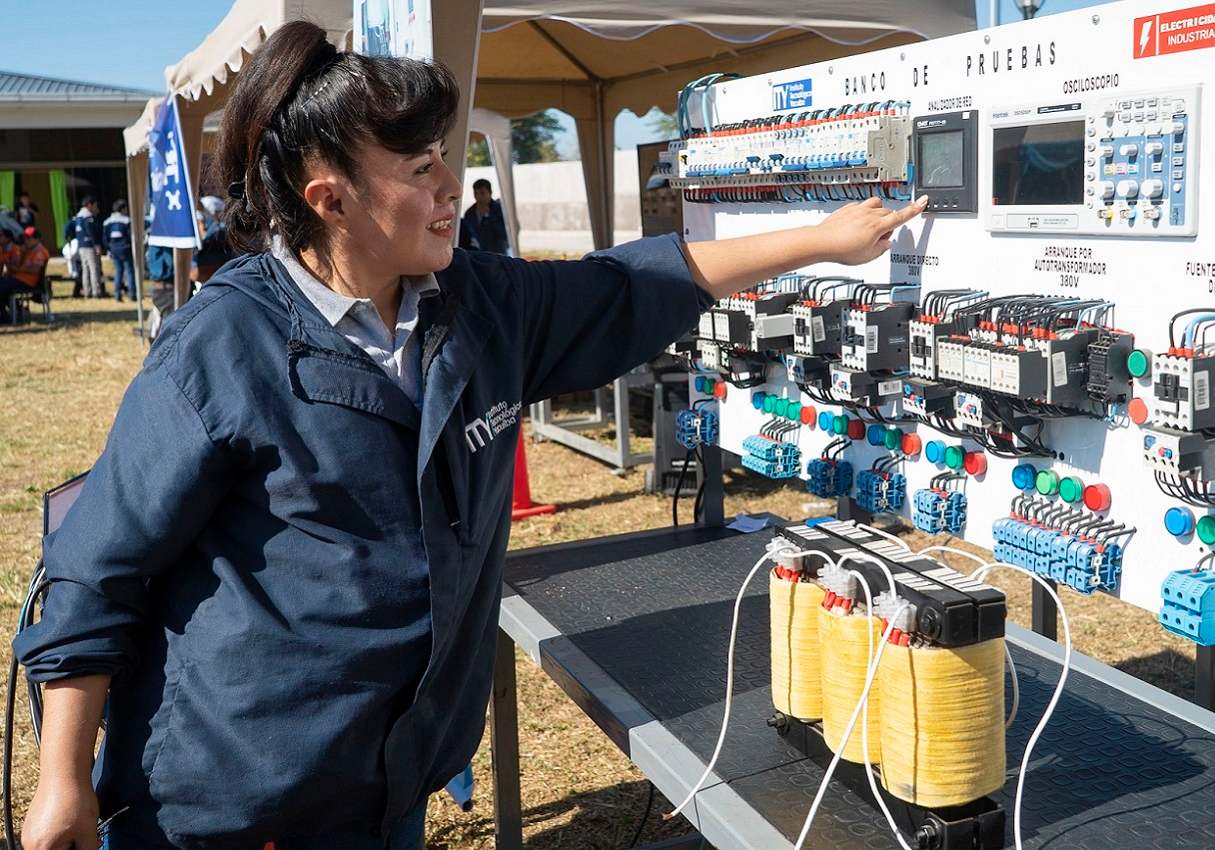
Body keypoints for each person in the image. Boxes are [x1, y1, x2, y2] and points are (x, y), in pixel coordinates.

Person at [13, 21, 923, 850]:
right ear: (330, 200)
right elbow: (96, 571)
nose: (452, 186)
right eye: (418, 169)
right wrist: (62, 782)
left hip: (394, 777)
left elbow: (630, 285)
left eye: (444, 156)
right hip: (238, 795)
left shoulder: (479, 306)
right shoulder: (221, 346)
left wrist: (821, 239)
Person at [0, 226, 50, 322]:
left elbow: (34, 269)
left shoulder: (40, 252)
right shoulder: (28, 251)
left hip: (27, 282)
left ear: (37, 239)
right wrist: (22, 253)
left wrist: (17, 269)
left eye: (28, 238)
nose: (25, 241)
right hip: (19, 279)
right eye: (24, 238)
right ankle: (13, 312)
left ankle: (5, 316)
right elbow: (19, 264)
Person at [459, 177, 509, 254]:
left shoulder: (500, 210)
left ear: (490, 193)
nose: (478, 197)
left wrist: (489, 217)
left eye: (482, 193)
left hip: (498, 254)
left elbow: (506, 234)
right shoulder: (470, 213)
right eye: (476, 193)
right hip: (478, 254)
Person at [71, 196, 106, 298]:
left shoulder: (78, 217)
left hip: (81, 246)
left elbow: (68, 227)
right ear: (89, 205)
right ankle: (96, 292)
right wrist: (96, 245)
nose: (96, 208)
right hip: (90, 246)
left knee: (85, 270)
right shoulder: (88, 218)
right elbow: (91, 233)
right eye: (95, 205)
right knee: (94, 269)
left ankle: (87, 291)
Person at [104, 200, 135, 302]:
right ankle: (132, 294)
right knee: (129, 271)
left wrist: (108, 248)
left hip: (114, 249)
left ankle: (117, 294)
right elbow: (130, 236)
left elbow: (105, 238)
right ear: (122, 209)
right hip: (125, 248)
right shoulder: (127, 221)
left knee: (118, 271)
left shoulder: (107, 222)